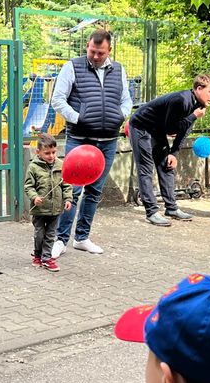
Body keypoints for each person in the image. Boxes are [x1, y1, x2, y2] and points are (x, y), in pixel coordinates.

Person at [49, 29, 132, 258]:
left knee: (94, 191)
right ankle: (60, 239)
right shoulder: (72, 67)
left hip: (108, 141)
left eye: (101, 53)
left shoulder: (119, 70)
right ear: (87, 46)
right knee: (72, 191)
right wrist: (79, 118)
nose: (96, 56)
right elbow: (57, 99)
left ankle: (82, 237)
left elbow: (126, 100)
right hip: (80, 139)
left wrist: (120, 115)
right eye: (93, 51)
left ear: (109, 50)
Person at [128, 74, 210, 226]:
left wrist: (174, 153)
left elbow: (184, 130)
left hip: (156, 129)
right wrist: (193, 117)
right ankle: (151, 212)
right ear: (198, 88)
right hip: (141, 126)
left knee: (167, 165)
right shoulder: (181, 100)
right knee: (146, 168)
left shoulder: (197, 105)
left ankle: (171, 208)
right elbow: (171, 128)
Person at [24, 132, 72, 272]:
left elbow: (66, 184)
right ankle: (37, 254)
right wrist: (34, 197)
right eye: (47, 153)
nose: (51, 156)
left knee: (51, 234)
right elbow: (28, 186)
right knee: (39, 233)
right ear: (38, 152)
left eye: (53, 152)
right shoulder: (33, 167)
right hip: (39, 209)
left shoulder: (60, 165)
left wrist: (68, 199)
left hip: (55, 209)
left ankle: (46, 258)